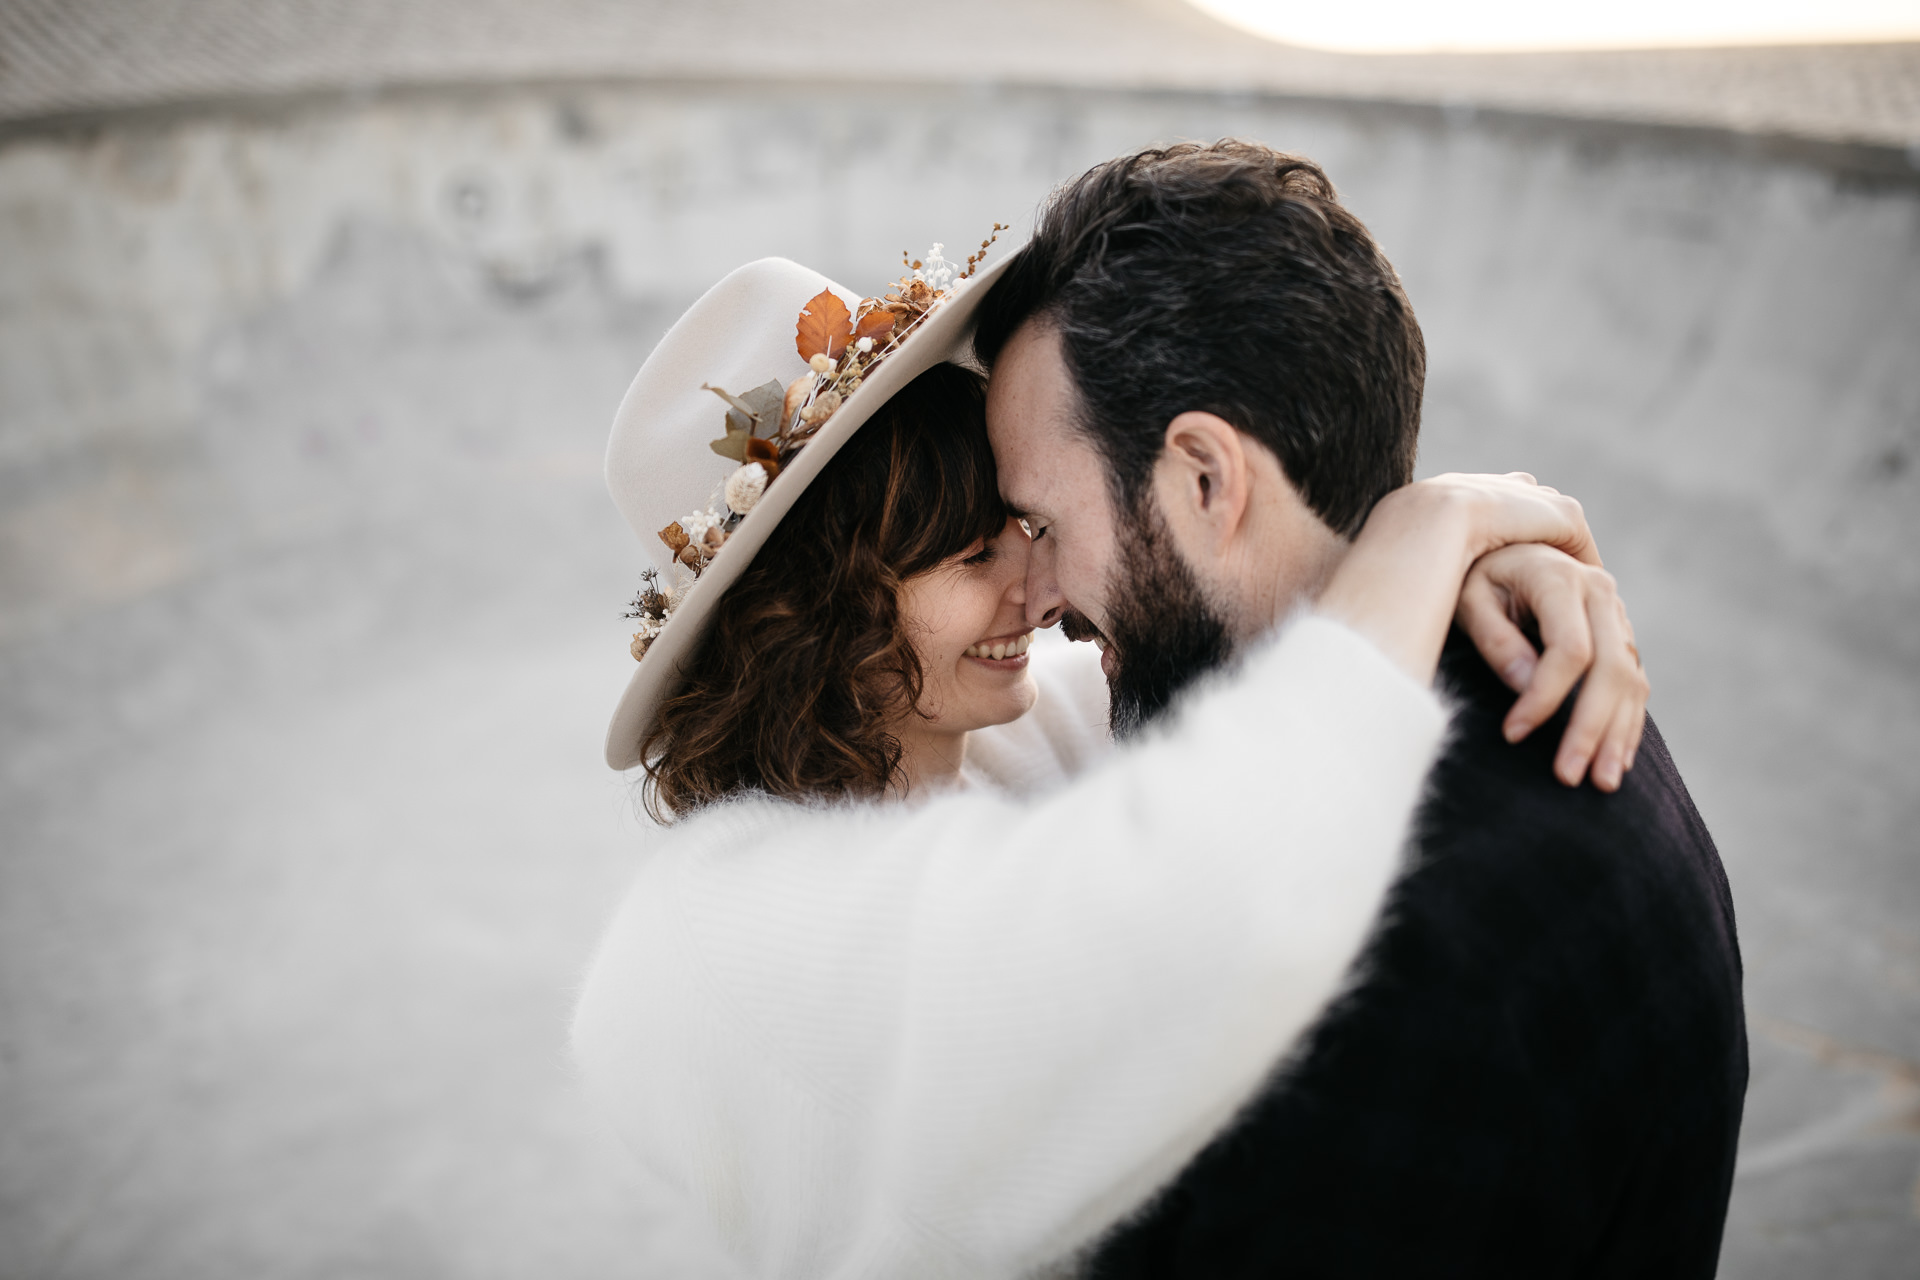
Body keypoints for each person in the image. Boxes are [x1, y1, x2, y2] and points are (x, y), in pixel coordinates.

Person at [571, 246, 1653, 1277]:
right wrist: (1433, 529)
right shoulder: (710, 938)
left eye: (1024, 527)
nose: (1039, 594)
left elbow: (1260, 654)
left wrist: (1494, 562)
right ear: (811, 620)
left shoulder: (997, 728)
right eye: (969, 554)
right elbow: (1200, 898)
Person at [969, 140, 1746, 1278]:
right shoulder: (1535, 693)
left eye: (1041, 522)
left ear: (1204, 479)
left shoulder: (1375, 970)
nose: (1035, 597)